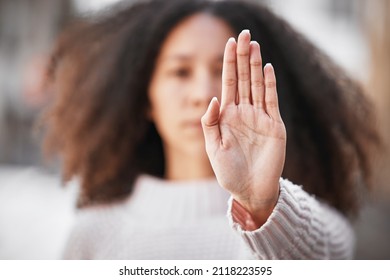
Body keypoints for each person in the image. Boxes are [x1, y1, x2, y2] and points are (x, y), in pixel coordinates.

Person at [42, 0, 379, 259]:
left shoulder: (307, 226)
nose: (203, 93)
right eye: (180, 72)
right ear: (145, 97)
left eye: (221, 70)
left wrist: (262, 205)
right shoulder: (92, 236)